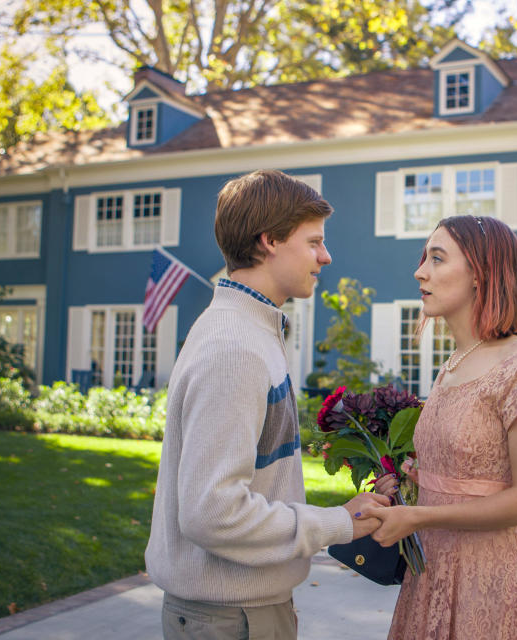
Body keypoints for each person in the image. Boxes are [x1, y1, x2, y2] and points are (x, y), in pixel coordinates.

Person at [145, 170, 388, 640]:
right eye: (314, 241)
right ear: (270, 240)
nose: (326, 256)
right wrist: (338, 523)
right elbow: (213, 511)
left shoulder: (252, 332)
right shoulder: (233, 347)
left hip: (242, 610)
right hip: (229, 617)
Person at [367, 214, 517, 639]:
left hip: (488, 584)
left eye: (437, 258)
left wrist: (419, 515)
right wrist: (408, 488)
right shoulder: (452, 365)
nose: (420, 271)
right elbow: (465, 476)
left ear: (481, 273)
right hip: (428, 573)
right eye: (424, 258)